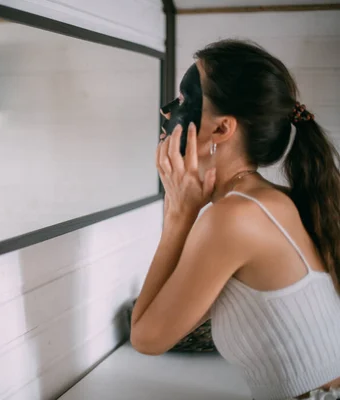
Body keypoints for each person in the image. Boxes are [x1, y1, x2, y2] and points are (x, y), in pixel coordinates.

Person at [129, 39, 340, 400]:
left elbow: (147, 338)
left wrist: (179, 219)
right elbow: (164, 323)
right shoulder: (267, 201)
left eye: (184, 99)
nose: (168, 111)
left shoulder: (234, 216)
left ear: (223, 129)